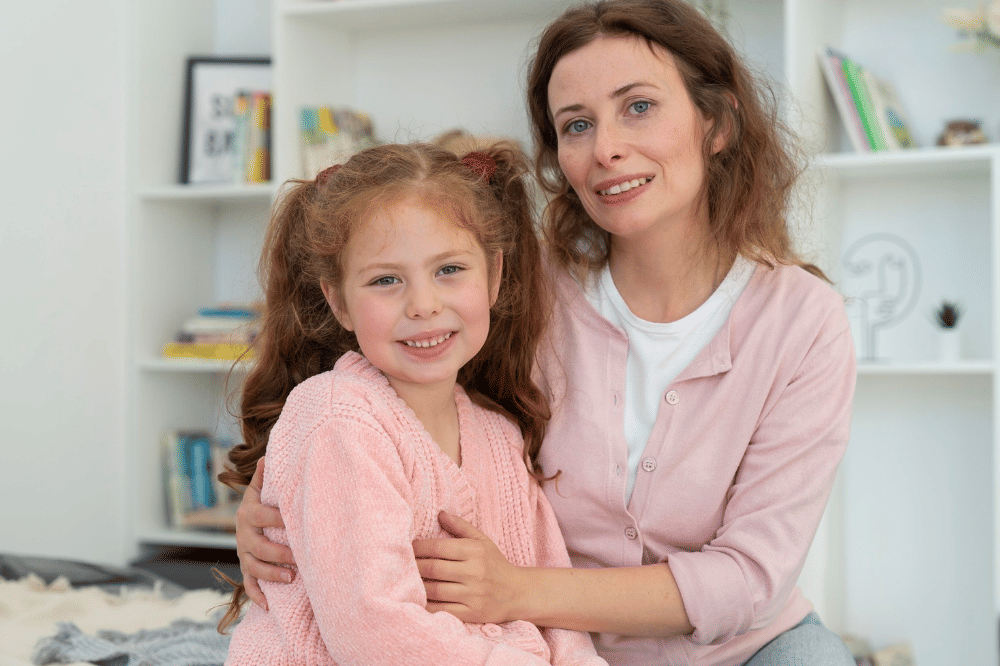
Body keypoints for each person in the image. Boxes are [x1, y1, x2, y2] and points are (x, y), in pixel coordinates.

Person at [233, 1, 858, 664]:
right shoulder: (523, 289)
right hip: (551, 645)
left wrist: (517, 592)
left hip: (743, 646)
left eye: (638, 106)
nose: (607, 147)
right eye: (576, 124)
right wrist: (274, 507)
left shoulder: (804, 320)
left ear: (718, 122)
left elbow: (750, 581)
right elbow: (372, 399)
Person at [219, 141, 608, 666]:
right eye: (386, 280)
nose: (423, 304)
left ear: (494, 276)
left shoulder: (499, 435)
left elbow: (549, 593)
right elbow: (373, 632)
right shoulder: (339, 420)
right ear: (339, 302)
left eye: (449, 270)